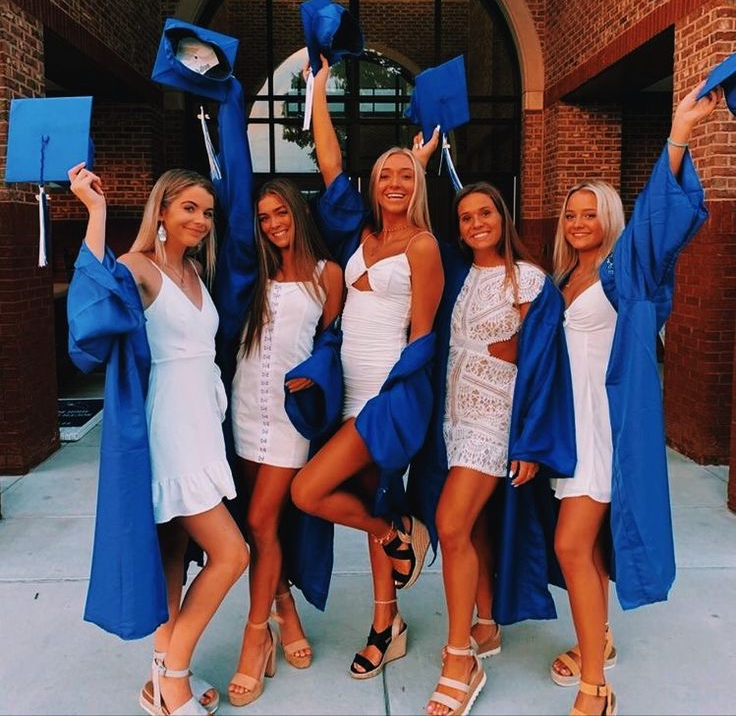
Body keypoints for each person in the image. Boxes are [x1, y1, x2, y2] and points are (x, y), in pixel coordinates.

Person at [549, 82, 722, 716]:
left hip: (607, 426)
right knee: (585, 547)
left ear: (611, 220)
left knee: (571, 545)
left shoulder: (629, 268)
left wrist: (679, 130)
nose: (577, 222)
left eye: (589, 212)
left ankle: (597, 684)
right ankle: (599, 640)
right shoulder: (563, 276)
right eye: (570, 213)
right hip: (570, 429)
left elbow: (658, 215)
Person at [67, 164, 250, 716]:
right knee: (231, 554)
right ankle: (174, 678)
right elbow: (92, 311)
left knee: (174, 553)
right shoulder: (137, 268)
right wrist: (96, 212)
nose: (200, 219)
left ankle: (158, 678)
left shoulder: (195, 270)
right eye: (189, 208)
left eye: (208, 212)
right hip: (169, 429)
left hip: (202, 424)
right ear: (163, 211)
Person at [290, 57, 444, 679]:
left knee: (308, 491)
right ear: (374, 184)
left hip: (385, 401)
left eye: (406, 174)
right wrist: (320, 91)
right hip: (347, 397)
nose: (395, 182)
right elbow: (330, 167)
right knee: (364, 502)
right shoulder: (359, 239)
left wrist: (396, 405)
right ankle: (389, 624)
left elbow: (425, 334)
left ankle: (401, 527)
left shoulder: (424, 245)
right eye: (386, 174)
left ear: (418, 184)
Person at [411, 183, 576, 716]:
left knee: (451, 524)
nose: (475, 223)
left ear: (503, 218)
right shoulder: (461, 277)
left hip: (495, 420)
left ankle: (460, 659)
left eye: (485, 213)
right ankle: (485, 624)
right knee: (474, 525)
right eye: (464, 217)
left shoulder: (529, 281)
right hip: (455, 417)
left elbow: (542, 368)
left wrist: (529, 440)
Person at [226, 178, 343, 706]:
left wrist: (316, 374)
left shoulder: (328, 275)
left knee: (259, 522)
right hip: (245, 405)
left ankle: (256, 638)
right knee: (258, 522)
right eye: (264, 217)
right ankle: (283, 607)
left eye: (281, 213)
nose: (274, 224)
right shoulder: (256, 273)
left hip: (290, 414)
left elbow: (332, 342)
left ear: (297, 211)